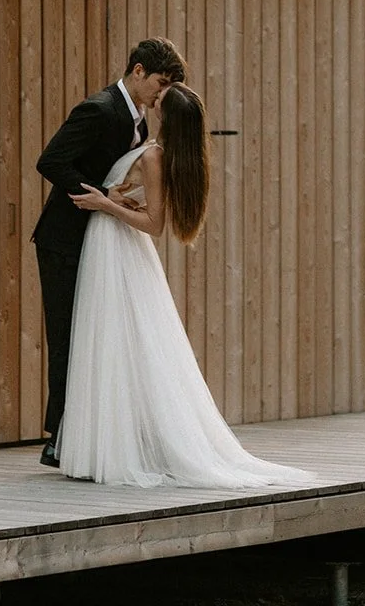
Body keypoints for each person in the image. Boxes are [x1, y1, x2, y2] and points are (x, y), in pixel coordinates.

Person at [57, 81, 313, 490]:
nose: (152, 101)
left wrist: (104, 203)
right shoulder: (155, 150)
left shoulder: (156, 156)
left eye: (158, 100)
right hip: (111, 242)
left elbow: (155, 225)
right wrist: (119, 199)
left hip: (118, 246)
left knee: (113, 339)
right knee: (108, 340)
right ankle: (101, 445)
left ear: (165, 114)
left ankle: (114, 449)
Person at [33, 37, 186, 469]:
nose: (162, 93)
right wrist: (103, 195)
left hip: (104, 238)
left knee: (99, 339)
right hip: (66, 240)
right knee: (68, 338)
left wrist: (120, 201)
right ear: (138, 70)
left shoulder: (140, 117)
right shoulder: (99, 109)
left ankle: (88, 433)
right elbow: (51, 162)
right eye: (160, 82)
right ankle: (58, 438)